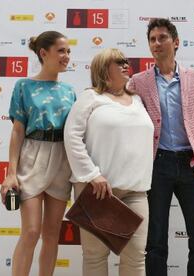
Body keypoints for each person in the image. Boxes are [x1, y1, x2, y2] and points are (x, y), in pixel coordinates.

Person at [128, 18, 194, 276]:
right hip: (156, 165)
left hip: (192, 165)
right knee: (155, 241)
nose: (157, 43)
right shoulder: (138, 81)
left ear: (176, 42)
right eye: (152, 39)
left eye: (162, 38)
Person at [64, 48, 154, 276]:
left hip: (136, 191)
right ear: (104, 70)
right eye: (118, 61)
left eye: (126, 60)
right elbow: (72, 136)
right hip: (97, 192)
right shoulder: (91, 98)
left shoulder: (138, 100)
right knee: (95, 258)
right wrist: (93, 175)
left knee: (135, 259)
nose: (126, 64)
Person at [0, 31, 76, 276]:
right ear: (44, 53)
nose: (67, 56)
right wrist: (10, 174)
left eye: (68, 51)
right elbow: (17, 131)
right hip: (32, 157)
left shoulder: (70, 91)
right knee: (31, 232)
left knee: (52, 235)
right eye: (61, 51)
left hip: (61, 160)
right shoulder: (24, 86)